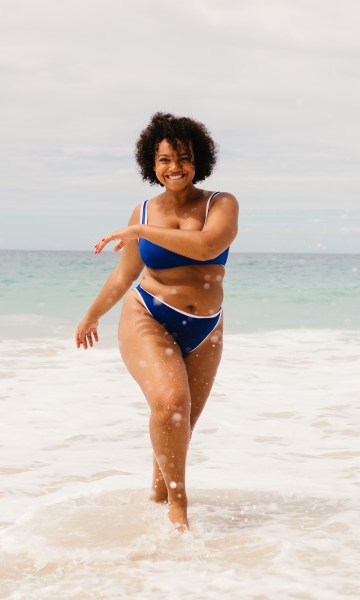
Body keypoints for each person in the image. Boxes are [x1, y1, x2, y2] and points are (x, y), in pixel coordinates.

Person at [75, 112, 239, 532]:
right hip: (148, 313)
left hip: (205, 326)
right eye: (165, 159)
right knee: (170, 406)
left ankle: (156, 492)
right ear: (152, 164)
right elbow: (124, 273)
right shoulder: (144, 211)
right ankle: (178, 510)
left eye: (183, 157)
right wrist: (92, 314)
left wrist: (141, 232)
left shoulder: (220, 203)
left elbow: (207, 246)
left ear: (198, 160)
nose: (174, 167)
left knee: (179, 424)